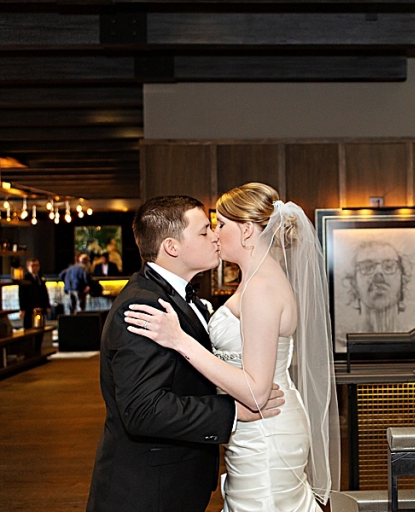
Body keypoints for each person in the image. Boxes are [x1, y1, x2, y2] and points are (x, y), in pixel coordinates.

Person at [125, 183, 340, 511]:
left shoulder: (260, 288)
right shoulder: (256, 281)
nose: (215, 235)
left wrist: (180, 340)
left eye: (221, 224)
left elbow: (256, 392)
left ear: (247, 231)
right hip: (256, 427)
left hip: (266, 431)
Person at [87, 195, 284, 512]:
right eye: (204, 231)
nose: (215, 237)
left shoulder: (173, 296)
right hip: (147, 493)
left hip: (175, 482)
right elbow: (143, 410)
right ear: (172, 247)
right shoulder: (143, 305)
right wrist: (232, 411)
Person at [18, 257, 50, 326]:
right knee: (29, 326)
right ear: (28, 267)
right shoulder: (25, 279)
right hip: (29, 308)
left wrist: (47, 306)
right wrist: (22, 309)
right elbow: (21, 295)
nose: (35, 268)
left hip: (40, 307)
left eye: (37, 265)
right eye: (33, 266)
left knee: (40, 326)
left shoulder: (41, 278)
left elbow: (44, 293)